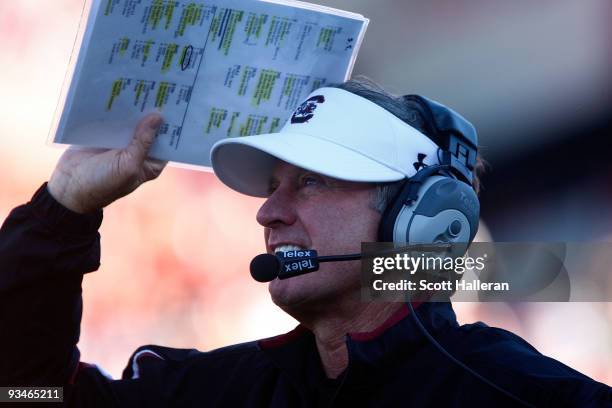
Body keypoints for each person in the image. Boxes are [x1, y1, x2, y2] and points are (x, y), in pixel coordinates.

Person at [0, 77, 610, 407]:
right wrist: (64, 210)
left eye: (310, 183)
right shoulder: (224, 389)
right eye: (272, 186)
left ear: (422, 220)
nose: (268, 211)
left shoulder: (528, 396)